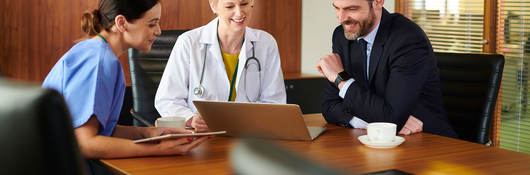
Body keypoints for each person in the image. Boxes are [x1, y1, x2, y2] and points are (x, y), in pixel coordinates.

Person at [42, 0, 209, 160]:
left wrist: (146, 133)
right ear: (121, 23)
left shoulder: (92, 51)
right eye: (152, 24)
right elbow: (85, 143)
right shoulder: (101, 62)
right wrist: (157, 150)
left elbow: (99, 131)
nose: (158, 31)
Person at [316, 0, 457, 138]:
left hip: (428, 141)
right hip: (379, 139)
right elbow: (330, 107)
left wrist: (340, 79)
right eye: (337, 8)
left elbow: (390, 118)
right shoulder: (342, 35)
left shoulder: (407, 39)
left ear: (378, 2)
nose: (341, 18)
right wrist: (371, 122)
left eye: (352, 9)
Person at [155, 0, 286, 132]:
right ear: (213, 6)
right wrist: (191, 119)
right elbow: (167, 99)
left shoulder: (266, 43)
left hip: (248, 133)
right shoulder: (189, 42)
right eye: (230, 6)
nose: (239, 13)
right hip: (203, 136)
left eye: (244, 4)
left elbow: (275, 101)